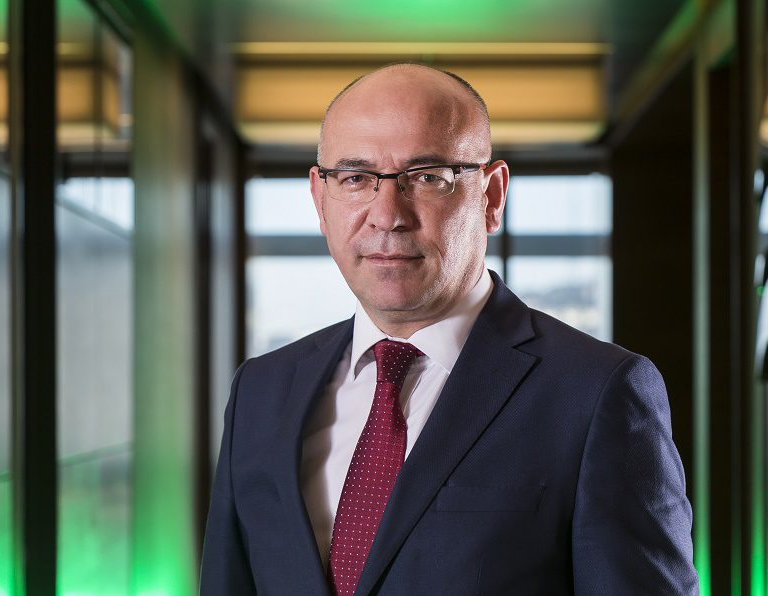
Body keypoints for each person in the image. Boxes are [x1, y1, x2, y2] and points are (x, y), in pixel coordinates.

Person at [200, 63, 698, 595]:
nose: (387, 215)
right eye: (355, 179)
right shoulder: (261, 391)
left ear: (491, 196)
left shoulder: (596, 393)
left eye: (428, 177)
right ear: (320, 200)